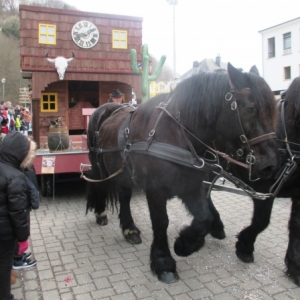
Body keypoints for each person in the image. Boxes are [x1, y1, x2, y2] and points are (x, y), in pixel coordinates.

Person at [0, 131, 37, 300]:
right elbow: (18, 214)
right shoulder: (15, 177)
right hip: (5, 232)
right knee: (4, 265)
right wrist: (22, 239)